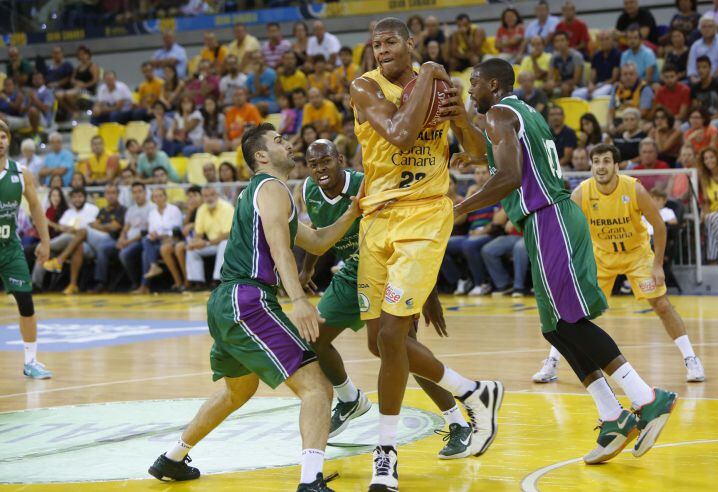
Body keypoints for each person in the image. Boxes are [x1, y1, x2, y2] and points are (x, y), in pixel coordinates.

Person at [457, 58, 678, 466]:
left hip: (550, 218)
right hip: (544, 221)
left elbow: (507, 177)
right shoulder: (518, 114)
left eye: (472, 83)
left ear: (492, 83)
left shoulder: (503, 113)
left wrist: (460, 208)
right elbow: (491, 154)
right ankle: (613, 415)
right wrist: (464, 135)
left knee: (571, 321)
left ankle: (648, 397)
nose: (470, 91)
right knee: (555, 328)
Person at [148, 123, 363, 490]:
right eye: (279, 140)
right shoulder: (272, 187)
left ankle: (172, 456)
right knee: (317, 388)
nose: (289, 144)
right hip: (248, 299)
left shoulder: (265, 193)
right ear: (261, 156)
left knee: (238, 391)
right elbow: (281, 248)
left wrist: (353, 211)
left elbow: (315, 242)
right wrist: (298, 300)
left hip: (225, 302)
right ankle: (311, 481)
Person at [349, 18, 501, 490]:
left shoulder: (437, 85)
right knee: (378, 343)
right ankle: (473, 392)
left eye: (391, 42)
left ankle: (386, 453)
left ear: (410, 44)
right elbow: (397, 132)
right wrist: (432, 74)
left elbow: (477, 153)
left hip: (425, 214)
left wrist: (459, 118)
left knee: (394, 335)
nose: (381, 51)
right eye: (376, 45)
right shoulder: (363, 86)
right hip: (376, 217)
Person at [298, 139, 474, 459]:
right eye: (314, 164)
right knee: (312, 337)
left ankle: (458, 421)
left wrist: (429, 293)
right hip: (352, 274)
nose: (320, 169)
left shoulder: (366, 185)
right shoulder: (309, 190)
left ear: (340, 159)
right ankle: (350, 398)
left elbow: (408, 235)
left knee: (396, 350)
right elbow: (316, 230)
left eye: (326, 161)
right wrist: (306, 269)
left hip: (391, 267)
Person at [532, 144, 705, 384]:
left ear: (616, 165)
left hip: (636, 255)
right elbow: (566, 231)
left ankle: (691, 359)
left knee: (662, 304)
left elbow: (660, 226)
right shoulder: (582, 193)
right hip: (601, 258)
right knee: (573, 312)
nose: (600, 166)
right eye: (596, 162)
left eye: (605, 161)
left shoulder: (634, 189)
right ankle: (552, 362)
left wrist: (657, 266)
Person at [0, 120, 52, 378]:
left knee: (26, 301)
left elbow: (36, 208)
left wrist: (45, 241)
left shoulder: (21, 173)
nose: (0, 141)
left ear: (9, 140)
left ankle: (30, 361)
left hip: (9, 248)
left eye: (3, 136)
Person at [440, 166, 499, 296]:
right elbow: (463, 216)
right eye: (477, 173)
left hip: (489, 234)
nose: (481, 176)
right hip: (470, 234)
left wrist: (483, 231)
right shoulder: (472, 195)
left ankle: (482, 283)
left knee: (469, 245)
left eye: (484, 172)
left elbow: (497, 221)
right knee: (440, 246)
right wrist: (468, 195)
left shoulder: (497, 192)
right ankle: (462, 279)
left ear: (490, 175)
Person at [34, 187, 98, 295]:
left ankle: (45, 246)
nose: (77, 199)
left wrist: (69, 229)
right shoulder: (69, 212)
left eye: (80, 197)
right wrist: (68, 229)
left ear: (85, 198)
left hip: (87, 244)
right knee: (46, 251)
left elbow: (83, 230)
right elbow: (61, 228)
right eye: (75, 197)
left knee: (74, 240)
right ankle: (36, 285)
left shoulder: (92, 209)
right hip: (67, 244)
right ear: (71, 199)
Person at [182, 186, 232, 287]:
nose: (209, 198)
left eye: (212, 195)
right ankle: (197, 282)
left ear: (217, 195)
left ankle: (218, 279)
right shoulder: (202, 209)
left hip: (230, 243)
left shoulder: (226, 207)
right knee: (191, 248)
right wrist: (195, 242)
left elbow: (227, 235)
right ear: (202, 197)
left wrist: (206, 243)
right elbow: (199, 233)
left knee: (224, 243)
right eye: (206, 196)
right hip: (211, 243)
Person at [117, 182, 152, 291]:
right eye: (134, 192)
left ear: (145, 193)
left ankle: (139, 284)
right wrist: (121, 238)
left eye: (140, 192)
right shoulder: (131, 209)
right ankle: (135, 283)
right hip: (129, 241)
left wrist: (128, 242)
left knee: (125, 254)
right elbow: (125, 228)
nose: (137, 195)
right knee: (118, 251)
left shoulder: (151, 208)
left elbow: (145, 232)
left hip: (144, 241)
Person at [573, 30, 620, 100]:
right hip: (597, 85)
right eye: (601, 40)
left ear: (612, 40)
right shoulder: (596, 56)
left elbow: (614, 79)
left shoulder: (617, 55)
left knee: (596, 95)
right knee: (576, 94)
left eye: (607, 39)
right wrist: (591, 85)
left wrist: (597, 87)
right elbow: (592, 76)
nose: (604, 42)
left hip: (610, 85)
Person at [686, 15, 718, 83]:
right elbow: (691, 68)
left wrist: (707, 81)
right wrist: (695, 81)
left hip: (717, 78)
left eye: (710, 26)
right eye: (704, 27)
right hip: (698, 81)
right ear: (700, 30)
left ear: (715, 28)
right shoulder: (695, 45)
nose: (707, 29)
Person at [55, 45, 99, 117]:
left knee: (68, 94)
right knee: (58, 95)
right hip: (76, 89)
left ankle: (79, 111)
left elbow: (95, 81)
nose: (81, 56)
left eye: (83, 54)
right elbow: (72, 80)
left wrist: (84, 85)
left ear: (88, 55)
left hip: (88, 90)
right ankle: (73, 111)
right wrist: (76, 82)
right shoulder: (78, 67)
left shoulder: (93, 66)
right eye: (79, 55)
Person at [689, 56, 718, 131]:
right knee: (683, 128)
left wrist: (708, 119)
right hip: (700, 120)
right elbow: (695, 109)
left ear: (710, 68)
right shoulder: (695, 87)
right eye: (698, 68)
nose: (701, 70)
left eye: (704, 67)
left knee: (708, 126)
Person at [607, 62, 654, 126]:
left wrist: (625, 124)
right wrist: (610, 125)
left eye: (631, 74)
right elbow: (610, 111)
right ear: (621, 77)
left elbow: (643, 112)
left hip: (636, 121)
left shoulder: (644, 88)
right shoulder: (616, 88)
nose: (628, 77)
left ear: (636, 75)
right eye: (625, 74)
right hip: (617, 120)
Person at [545, 31, 584, 97]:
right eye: (557, 41)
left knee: (565, 88)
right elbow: (550, 77)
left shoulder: (576, 56)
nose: (560, 43)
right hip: (561, 84)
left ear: (568, 42)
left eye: (562, 40)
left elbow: (576, 80)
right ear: (554, 44)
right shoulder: (554, 57)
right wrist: (551, 83)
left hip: (577, 86)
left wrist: (557, 84)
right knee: (545, 87)